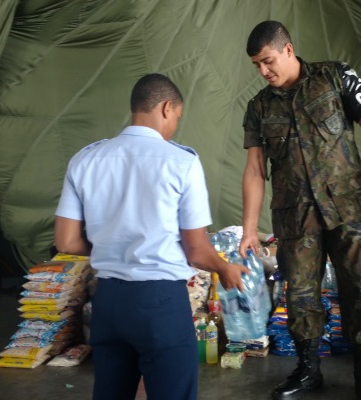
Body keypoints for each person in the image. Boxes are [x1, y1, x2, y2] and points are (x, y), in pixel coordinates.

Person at [54, 73, 248, 400]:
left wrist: (110, 244)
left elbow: (66, 242)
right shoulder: (182, 163)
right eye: (177, 118)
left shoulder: (85, 159)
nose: (175, 126)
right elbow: (196, 250)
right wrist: (225, 268)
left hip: (108, 304)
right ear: (167, 108)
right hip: (160, 305)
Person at [239, 21, 361, 400]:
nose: (264, 72)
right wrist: (249, 228)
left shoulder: (336, 77)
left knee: (360, 291)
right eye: (256, 66)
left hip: (348, 208)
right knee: (300, 297)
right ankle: (309, 370)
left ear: (289, 50)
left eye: (268, 61)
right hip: (295, 217)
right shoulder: (259, 107)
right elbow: (254, 170)